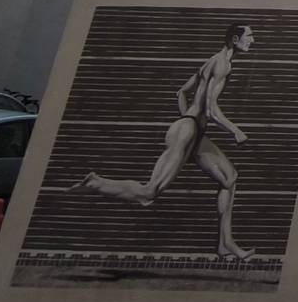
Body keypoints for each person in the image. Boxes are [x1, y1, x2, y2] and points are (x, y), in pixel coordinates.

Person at [81, 22, 258, 260]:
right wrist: (233, 130)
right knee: (149, 193)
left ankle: (225, 245)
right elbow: (211, 108)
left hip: (191, 131)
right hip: (187, 131)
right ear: (235, 40)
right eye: (250, 36)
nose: (253, 41)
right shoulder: (223, 64)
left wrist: (190, 123)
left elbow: (181, 92)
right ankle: (97, 183)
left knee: (229, 177)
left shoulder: (211, 60)